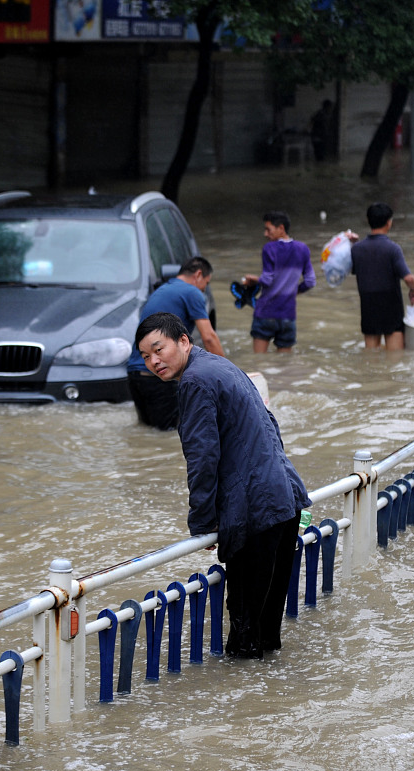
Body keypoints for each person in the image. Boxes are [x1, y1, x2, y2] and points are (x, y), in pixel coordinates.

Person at [135, 312, 311, 659]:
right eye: (145, 356)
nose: (153, 361)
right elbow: (270, 424)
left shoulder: (194, 382)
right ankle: (271, 705)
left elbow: (202, 458)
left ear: (183, 341)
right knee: (266, 635)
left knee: (245, 642)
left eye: (159, 349)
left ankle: (247, 711)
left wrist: (202, 523)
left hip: (256, 515)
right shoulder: (220, 365)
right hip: (282, 503)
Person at [126, 256, 225, 430]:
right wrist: (226, 373)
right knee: (170, 434)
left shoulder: (162, 290)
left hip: (136, 374)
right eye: (206, 283)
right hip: (158, 377)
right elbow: (209, 336)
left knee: (148, 433)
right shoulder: (192, 292)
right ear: (199, 275)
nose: (204, 289)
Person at [239, 211, 314, 353]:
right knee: (284, 366)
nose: (265, 234)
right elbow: (310, 281)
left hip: (266, 312)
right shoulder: (303, 249)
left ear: (281, 228)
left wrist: (253, 281)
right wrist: (293, 291)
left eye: (268, 229)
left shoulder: (269, 248)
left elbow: (267, 280)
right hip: (288, 315)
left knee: (259, 362)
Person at [349, 202, 414, 350]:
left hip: (368, 306)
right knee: (395, 357)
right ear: (389, 223)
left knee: (371, 354)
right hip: (391, 306)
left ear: (368, 221)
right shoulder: (393, 249)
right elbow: (409, 278)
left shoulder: (356, 249)